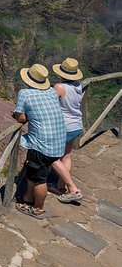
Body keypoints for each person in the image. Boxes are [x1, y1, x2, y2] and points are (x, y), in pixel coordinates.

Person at [13, 63, 66, 219]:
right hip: (58, 142)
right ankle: (28, 198)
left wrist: (24, 116)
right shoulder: (51, 91)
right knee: (33, 173)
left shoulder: (25, 93)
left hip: (42, 145)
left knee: (39, 180)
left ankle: (38, 208)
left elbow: (19, 116)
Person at [49, 58, 84, 203]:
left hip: (64, 127)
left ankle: (73, 189)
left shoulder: (59, 87)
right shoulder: (78, 85)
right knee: (66, 157)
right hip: (77, 125)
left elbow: (50, 103)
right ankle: (59, 187)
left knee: (51, 157)